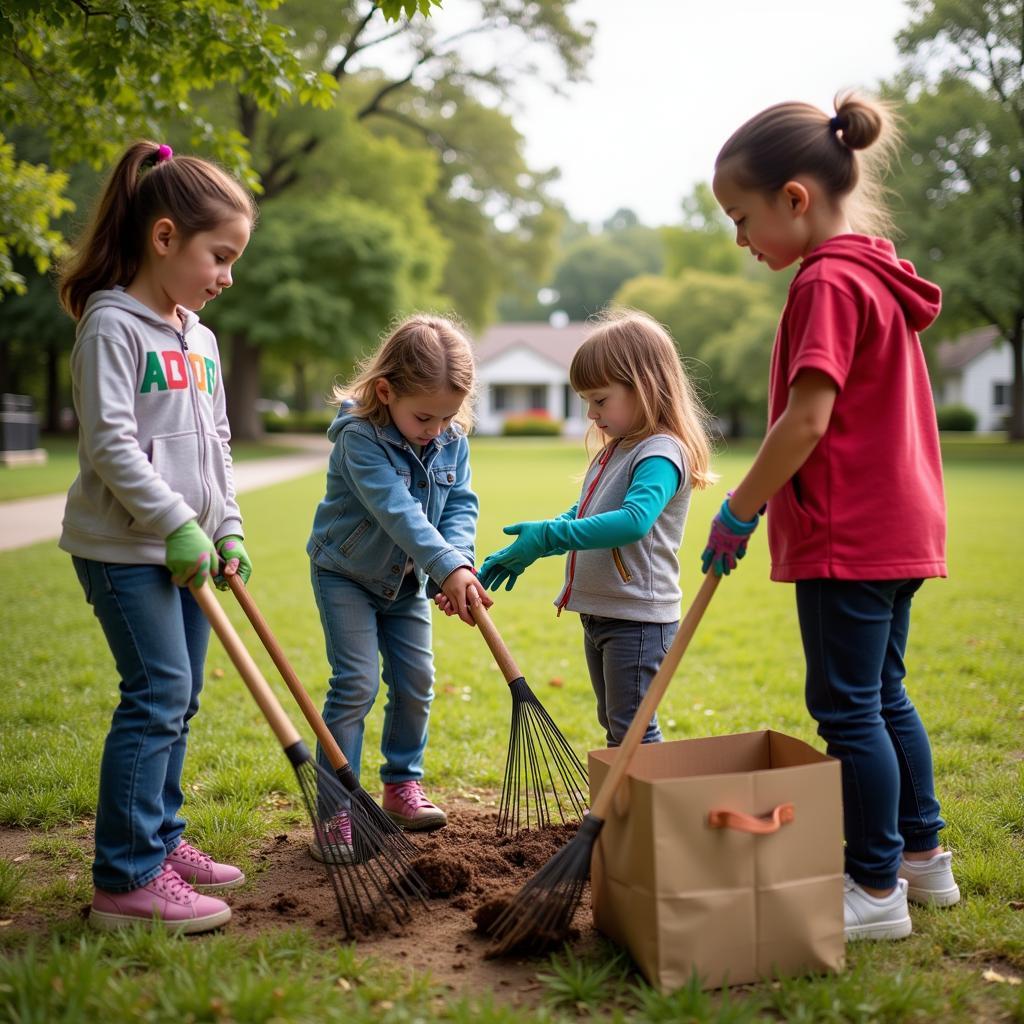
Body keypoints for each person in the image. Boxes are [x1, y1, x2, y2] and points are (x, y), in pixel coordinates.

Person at [703, 93, 959, 941]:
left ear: (796, 198)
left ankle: (874, 886)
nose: (742, 240)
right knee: (883, 695)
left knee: (847, 706)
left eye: (742, 218)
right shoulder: (877, 272)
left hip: (849, 532)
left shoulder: (826, 282)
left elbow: (806, 420)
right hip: (903, 526)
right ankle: (923, 862)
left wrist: (740, 510)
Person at [58, 141, 256, 932]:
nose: (227, 276)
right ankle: (126, 880)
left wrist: (226, 526)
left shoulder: (200, 338)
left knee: (183, 698)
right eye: (220, 255)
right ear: (164, 237)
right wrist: (177, 522)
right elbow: (107, 445)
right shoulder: (113, 326)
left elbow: (219, 439)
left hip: (188, 552)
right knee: (156, 695)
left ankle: (162, 841)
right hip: (124, 550)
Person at [478, 310, 715, 747]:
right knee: (617, 723)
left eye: (600, 400)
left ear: (643, 387)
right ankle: (626, 811)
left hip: (638, 620)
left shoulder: (660, 452)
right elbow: (585, 510)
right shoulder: (620, 448)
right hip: (605, 614)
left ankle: (645, 813)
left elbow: (632, 522)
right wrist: (532, 546)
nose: (590, 413)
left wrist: (551, 535)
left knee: (632, 730)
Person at [306, 314, 491, 862]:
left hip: (407, 580)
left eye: (448, 416)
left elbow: (460, 504)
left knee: (417, 681)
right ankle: (337, 810)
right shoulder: (359, 440)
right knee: (356, 684)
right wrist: (443, 564)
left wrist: (457, 566)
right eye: (423, 415)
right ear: (385, 391)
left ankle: (399, 787)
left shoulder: (449, 438)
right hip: (347, 574)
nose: (436, 428)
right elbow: (398, 512)